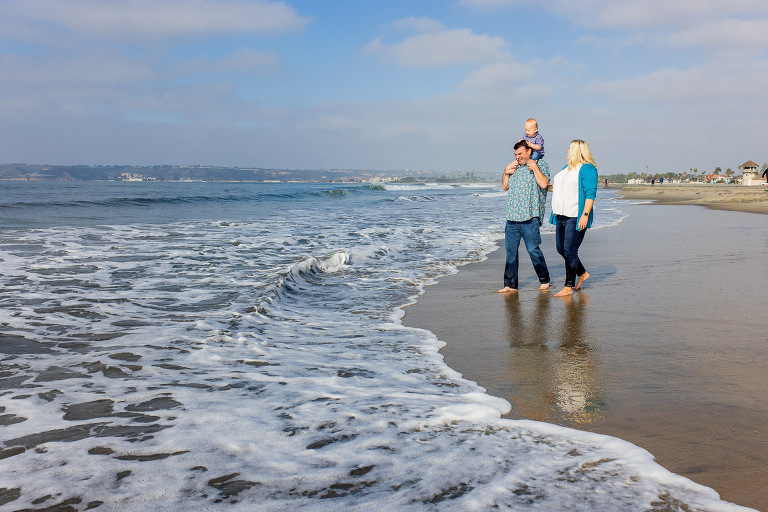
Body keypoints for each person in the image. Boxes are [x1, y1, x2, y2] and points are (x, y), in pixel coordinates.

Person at [498, 140, 550, 293]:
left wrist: (534, 168)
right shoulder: (514, 168)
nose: (518, 157)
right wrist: (505, 172)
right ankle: (510, 285)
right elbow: (504, 186)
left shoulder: (540, 165)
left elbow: (544, 184)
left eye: (520, 154)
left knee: (533, 250)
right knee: (511, 253)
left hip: (530, 217)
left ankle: (544, 279)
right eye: (515, 154)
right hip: (512, 218)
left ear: (529, 151)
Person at [548, 139, 598, 297]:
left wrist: (585, 215)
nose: (567, 151)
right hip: (561, 215)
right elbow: (557, 189)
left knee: (570, 251)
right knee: (561, 249)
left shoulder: (587, 168)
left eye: (570, 149)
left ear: (578, 151)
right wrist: (540, 185)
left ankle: (568, 287)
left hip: (575, 216)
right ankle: (582, 273)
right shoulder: (566, 168)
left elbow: (590, 194)